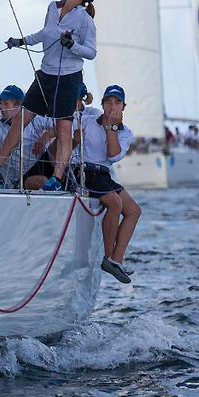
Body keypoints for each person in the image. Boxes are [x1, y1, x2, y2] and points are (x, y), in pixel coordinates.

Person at [0, 0, 97, 190]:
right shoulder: (53, 6)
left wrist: (73, 45)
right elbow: (44, 33)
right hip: (46, 74)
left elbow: (91, 52)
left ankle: (57, 178)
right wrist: (21, 41)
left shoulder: (85, 20)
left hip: (69, 78)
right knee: (20, 118)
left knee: (63, 129)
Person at [74, 85, 140, 285]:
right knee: (114, 202)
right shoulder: (86, 121)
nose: (112, 106)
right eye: (108, 102)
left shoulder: (125, 132)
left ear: (123, 107)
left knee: (134, 210)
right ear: (102, 105)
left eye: (117, 102)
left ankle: (115, 259)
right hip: (84, 170)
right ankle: (109, 257)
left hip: (103, 174)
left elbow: (113, 155)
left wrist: (111, 127)